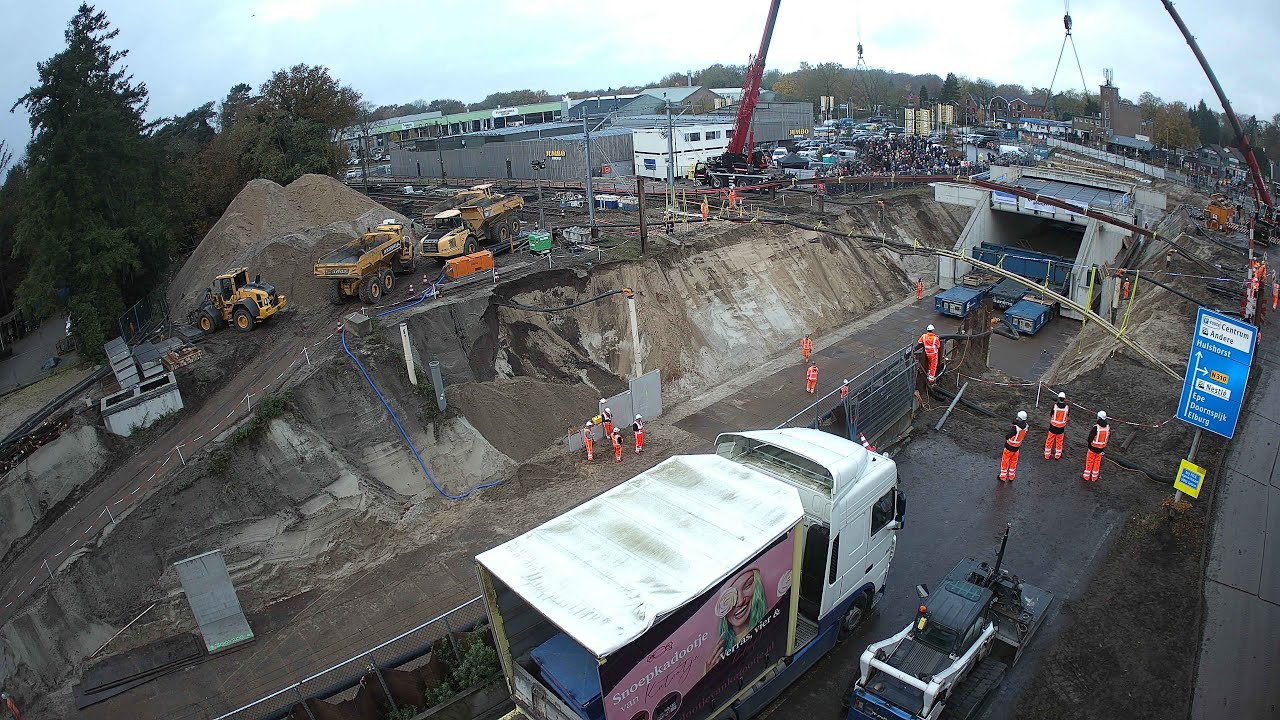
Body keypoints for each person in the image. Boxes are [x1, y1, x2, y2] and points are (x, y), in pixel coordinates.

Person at [999, 410, 1029, 482]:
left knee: (1005, 461)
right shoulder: (1026, 427)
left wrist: (1006, 437)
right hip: (1017, 447)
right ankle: (1011, 476)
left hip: (1009, 446)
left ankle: (1003, 477)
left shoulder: (1015, 428)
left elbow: (1009, 435)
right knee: (1013, 462)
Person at [1083, 411, 1111, 482]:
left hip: (1092, 448)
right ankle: (1094, 477)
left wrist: (1089, 444)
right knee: (1097, 462)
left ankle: (1086, 476)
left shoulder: (1096, 428)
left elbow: (1090, 438)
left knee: (1089, 461)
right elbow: (1107, 438)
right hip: (1100, 449)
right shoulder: (1107, 428)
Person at [1044, 392, 1069, 460]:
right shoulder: (1067, 408)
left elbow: (1051, 414)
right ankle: (1057, 455)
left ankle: (1047, 455)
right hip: (1061, 428)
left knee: (1049, 440)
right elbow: (1067, 416)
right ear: (1064, 399)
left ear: (1058, 398)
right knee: (1059, 441)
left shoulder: (1055, 406)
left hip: (1053, 427)